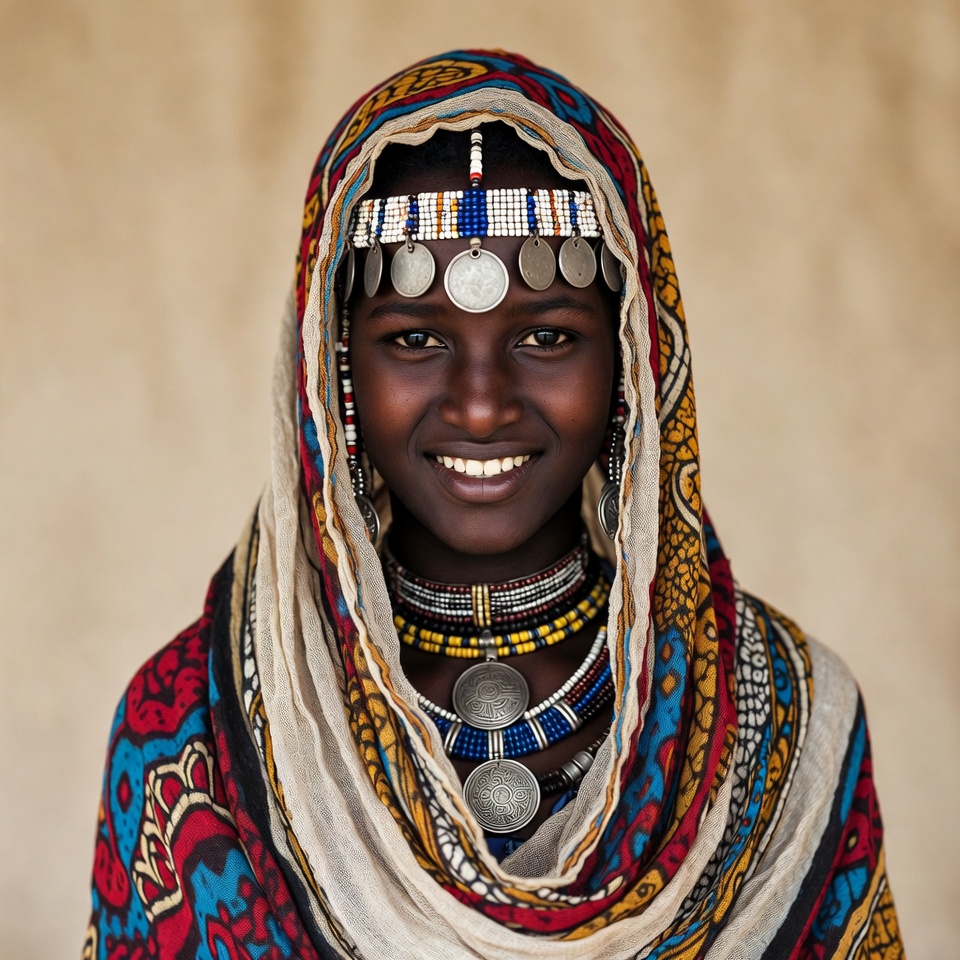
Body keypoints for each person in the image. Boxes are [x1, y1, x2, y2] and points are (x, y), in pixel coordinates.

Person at [84, 50, 904, 959]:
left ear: (632, 358)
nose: (481, 404)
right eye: (417, 338)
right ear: (333, 366)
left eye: (548, 336)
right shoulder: (188, 723)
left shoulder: (788, 724)